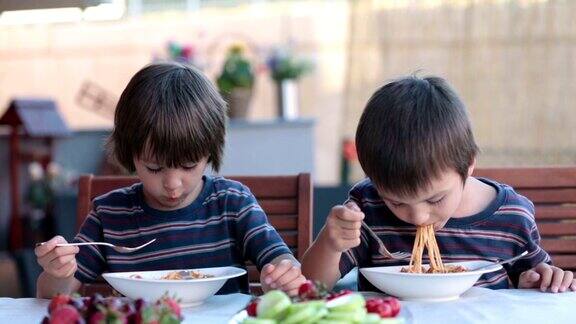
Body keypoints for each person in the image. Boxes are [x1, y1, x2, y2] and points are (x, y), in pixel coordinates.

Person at [35, 62, 305, 298]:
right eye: (154, 168)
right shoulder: (110, 214)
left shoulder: (233, 202)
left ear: (210, 150)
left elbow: (280, 258)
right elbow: (55, 293)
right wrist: (58, 271)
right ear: (130, 154)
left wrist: (283, 275)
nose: (173, 184)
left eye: (188, 165)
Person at [302, 75, 575, 293]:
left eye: (435, 199)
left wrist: (536, 281)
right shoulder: (368, 207)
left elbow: (537, 280)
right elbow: (310, 286)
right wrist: (330, 242)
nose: (418, 216)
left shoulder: (511, 217)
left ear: (468, 165)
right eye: (396, 202)